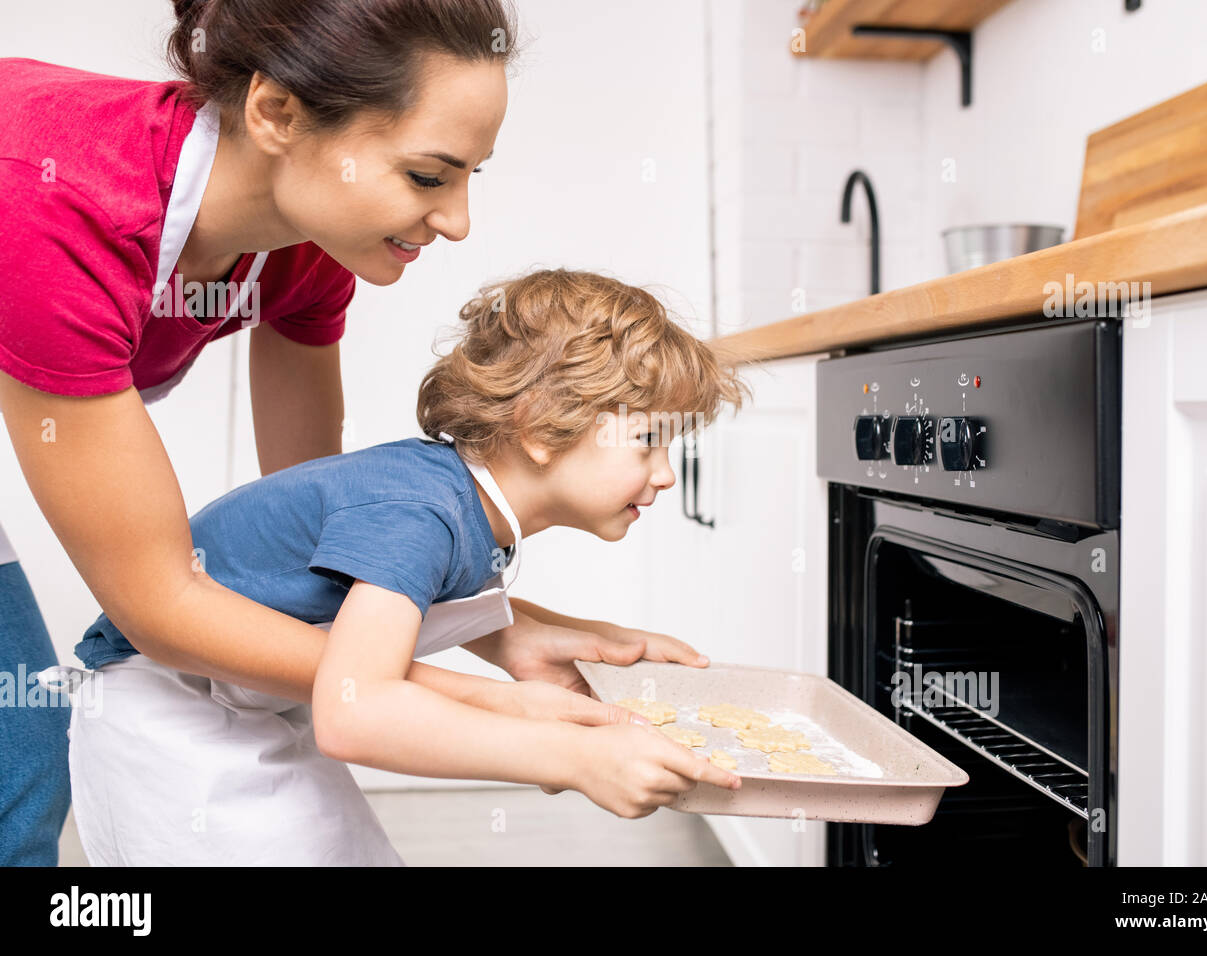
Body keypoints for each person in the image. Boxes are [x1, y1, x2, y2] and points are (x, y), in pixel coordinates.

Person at [0, 0, 692, 867]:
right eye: (431, 177)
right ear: (277, 113)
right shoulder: (54, 208)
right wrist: (482, 704)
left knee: (18, 774)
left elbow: (340, 529)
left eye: (473, 175)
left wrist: (503, 632)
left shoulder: (310, 248)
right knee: (16, 779)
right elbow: (160, 606)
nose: (458, 221)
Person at [62, 268, 752, 865]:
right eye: (647, 443)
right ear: (543, 427)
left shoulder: (457, 501)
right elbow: (355, 714)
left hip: (250, 702)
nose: (664, 475)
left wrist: (529, 633)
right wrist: (570, 758)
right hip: (168, 718)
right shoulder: (417, 513)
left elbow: (394, 604)